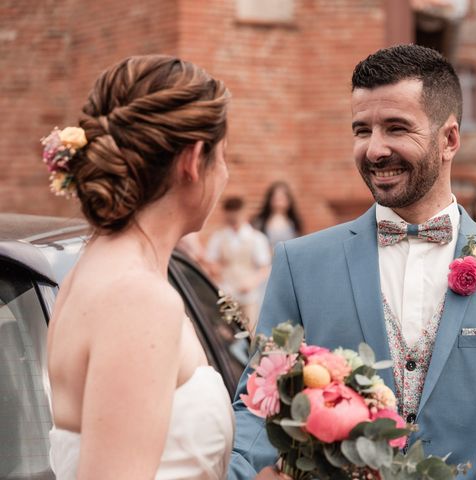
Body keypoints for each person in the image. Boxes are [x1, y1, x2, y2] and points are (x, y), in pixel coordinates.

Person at [230, 45, 476, 479]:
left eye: (396, 128)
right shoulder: (300, 266)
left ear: (449, 139)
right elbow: (257, 413)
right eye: (362, 130)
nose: (375, 150)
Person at [45, 55, 280, 480]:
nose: (225, 174)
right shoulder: (138, 298)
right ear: (193, 160)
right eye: (224, 157)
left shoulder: (95, 266)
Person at [205, 196, 271, 333]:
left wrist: (252, 282)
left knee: (249, 333)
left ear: (243, 213)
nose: (233, 219)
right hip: (225, 295)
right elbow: (210, 262)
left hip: (248, 296)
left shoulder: (256, 238)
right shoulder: (218, 237)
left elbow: (265, 268)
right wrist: (216, 272)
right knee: (224, 333)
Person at [253, 181, 303, 248]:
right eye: (276, 198)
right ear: (270, 200)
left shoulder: (294, 223)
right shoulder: (260, 222)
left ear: (289, 201)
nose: (279, 201)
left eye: (282, 198)